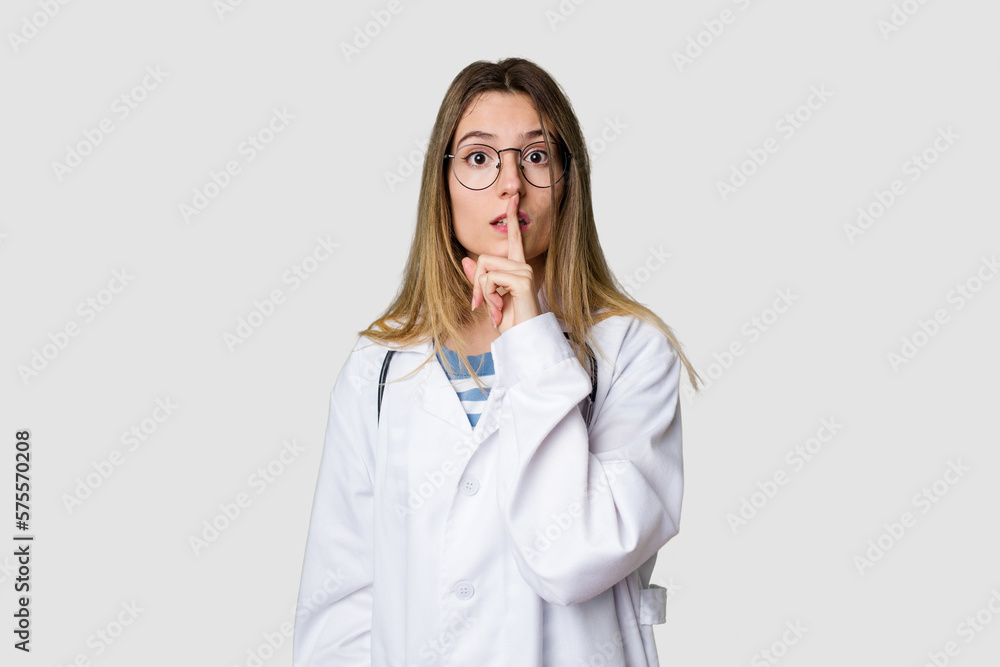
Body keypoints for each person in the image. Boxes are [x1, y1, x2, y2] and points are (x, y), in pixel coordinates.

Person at [292, 57, 702, 666]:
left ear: (568, 180)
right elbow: (343, 603)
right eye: (480, 158)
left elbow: (573, 556)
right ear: (444, 184)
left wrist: (532, 335)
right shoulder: (378, 368)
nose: (511, 185)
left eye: (536, 157)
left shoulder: (631, 352)